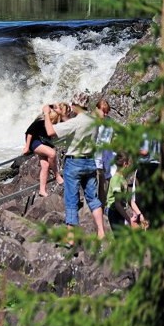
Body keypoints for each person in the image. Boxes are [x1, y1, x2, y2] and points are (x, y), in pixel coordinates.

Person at [42, 91, 107, 242]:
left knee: (71, 198)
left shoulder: (77, 122)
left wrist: (46, 113)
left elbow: (51, 131)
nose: (71, 106)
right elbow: (76, 126)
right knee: (93, 198)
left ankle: (71, 238)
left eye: (72, 104)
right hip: (90, 162)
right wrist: (63, 116)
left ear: (76, 105)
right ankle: (101, 232)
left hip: (74, 162)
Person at [23, 106, 63, 197]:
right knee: (52, 153)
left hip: (43, 143)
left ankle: (42, 190)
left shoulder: (49, 124)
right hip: (35, 142)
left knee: (45, 165)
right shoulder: (41, 121)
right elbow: (29, 133)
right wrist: (27, 147)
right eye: (55, 120)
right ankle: (57, 176)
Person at [105, 152, 145, 231]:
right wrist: (130, 221)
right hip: (114, 212)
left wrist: (140, 215)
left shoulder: (123, 178)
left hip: (121, 212)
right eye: (130, 163)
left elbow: (130, 200)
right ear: (125, 164)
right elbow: (117, 204)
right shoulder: (116, 180)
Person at [94, 98, 115, 202]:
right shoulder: (93, 122)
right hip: (96, 157)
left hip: (107, 156)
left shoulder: (109, 121)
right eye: (103, 111)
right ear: (97, 109)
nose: (105, 114)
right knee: (96, 183)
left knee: (105, 184)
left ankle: (104, 206)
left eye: (107, 112)